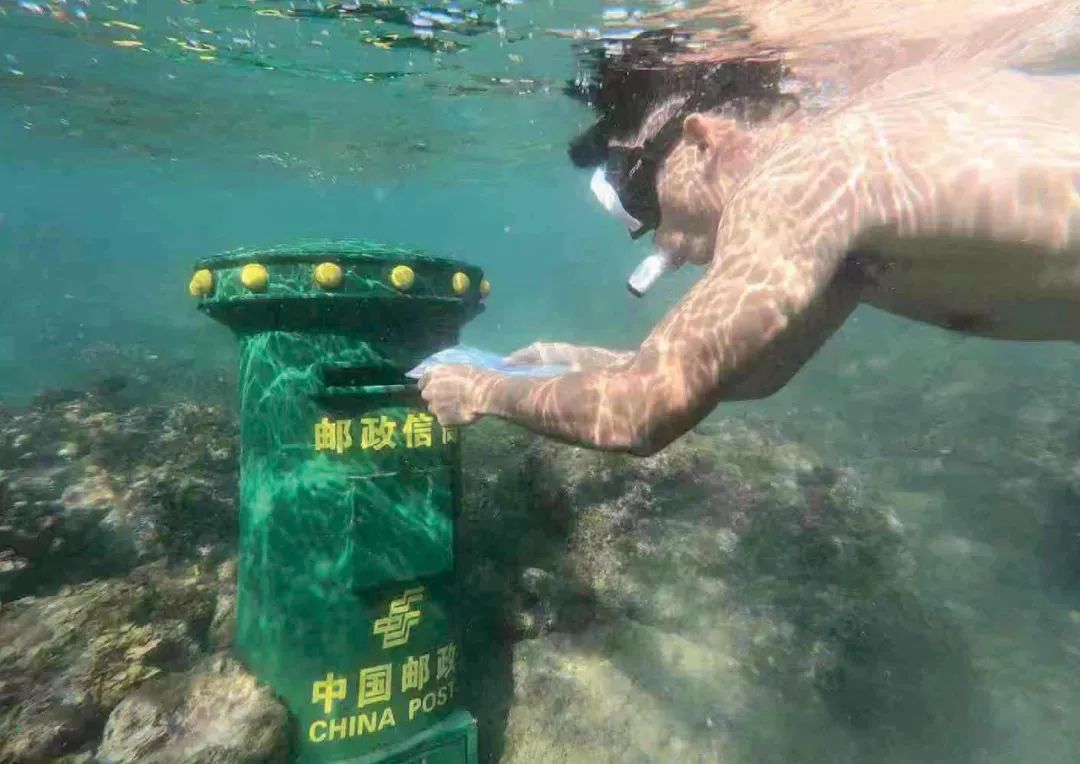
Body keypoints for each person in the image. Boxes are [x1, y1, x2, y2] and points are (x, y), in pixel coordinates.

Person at [419, 1, 1080, 456]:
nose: (658, 237)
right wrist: (582, 360)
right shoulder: (835, 196)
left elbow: (639, 414)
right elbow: (754, 374)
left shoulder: (796, 183)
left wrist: (486, 390)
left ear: (702, 137)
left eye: (641, 191)